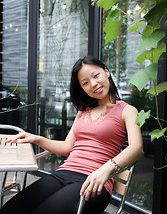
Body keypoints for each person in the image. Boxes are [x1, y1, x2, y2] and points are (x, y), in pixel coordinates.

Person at [0, 56, 143, 214]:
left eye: (96, 76)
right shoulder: (84, 110)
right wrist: (36, 138)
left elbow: (136, 148)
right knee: (11, 209)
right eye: (85, 83)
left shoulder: (127, 110)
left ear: (106, 72)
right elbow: (68, 147)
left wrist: (106, 170)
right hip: (63, 174)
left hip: (92, 183)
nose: (94, 84)